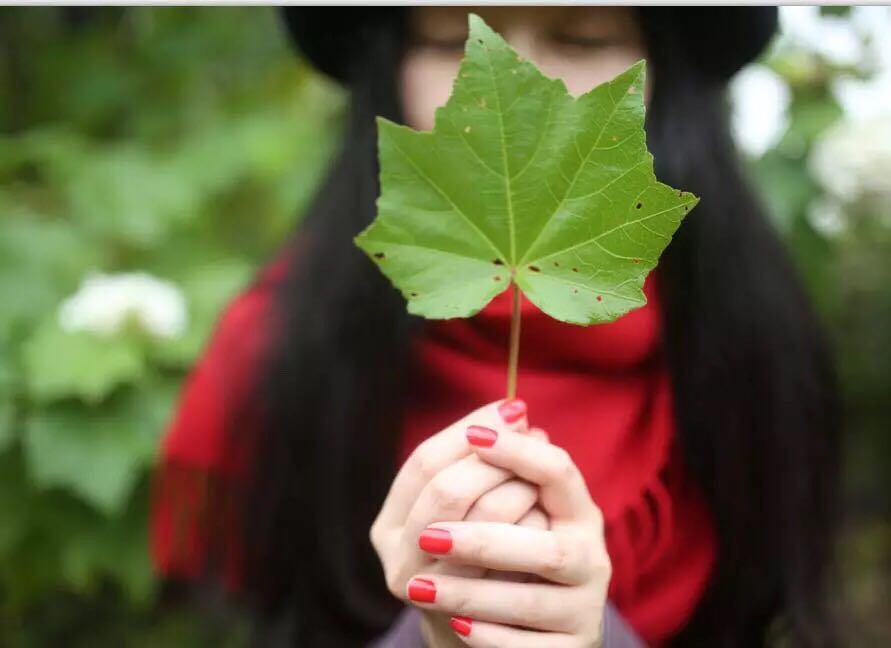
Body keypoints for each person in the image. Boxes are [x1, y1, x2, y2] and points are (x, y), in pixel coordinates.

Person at [151, 7, 840, 647]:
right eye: (454, 39)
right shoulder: (278, 352)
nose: (516, 84)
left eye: (583, 39)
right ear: (386, 71)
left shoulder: (754, 349)